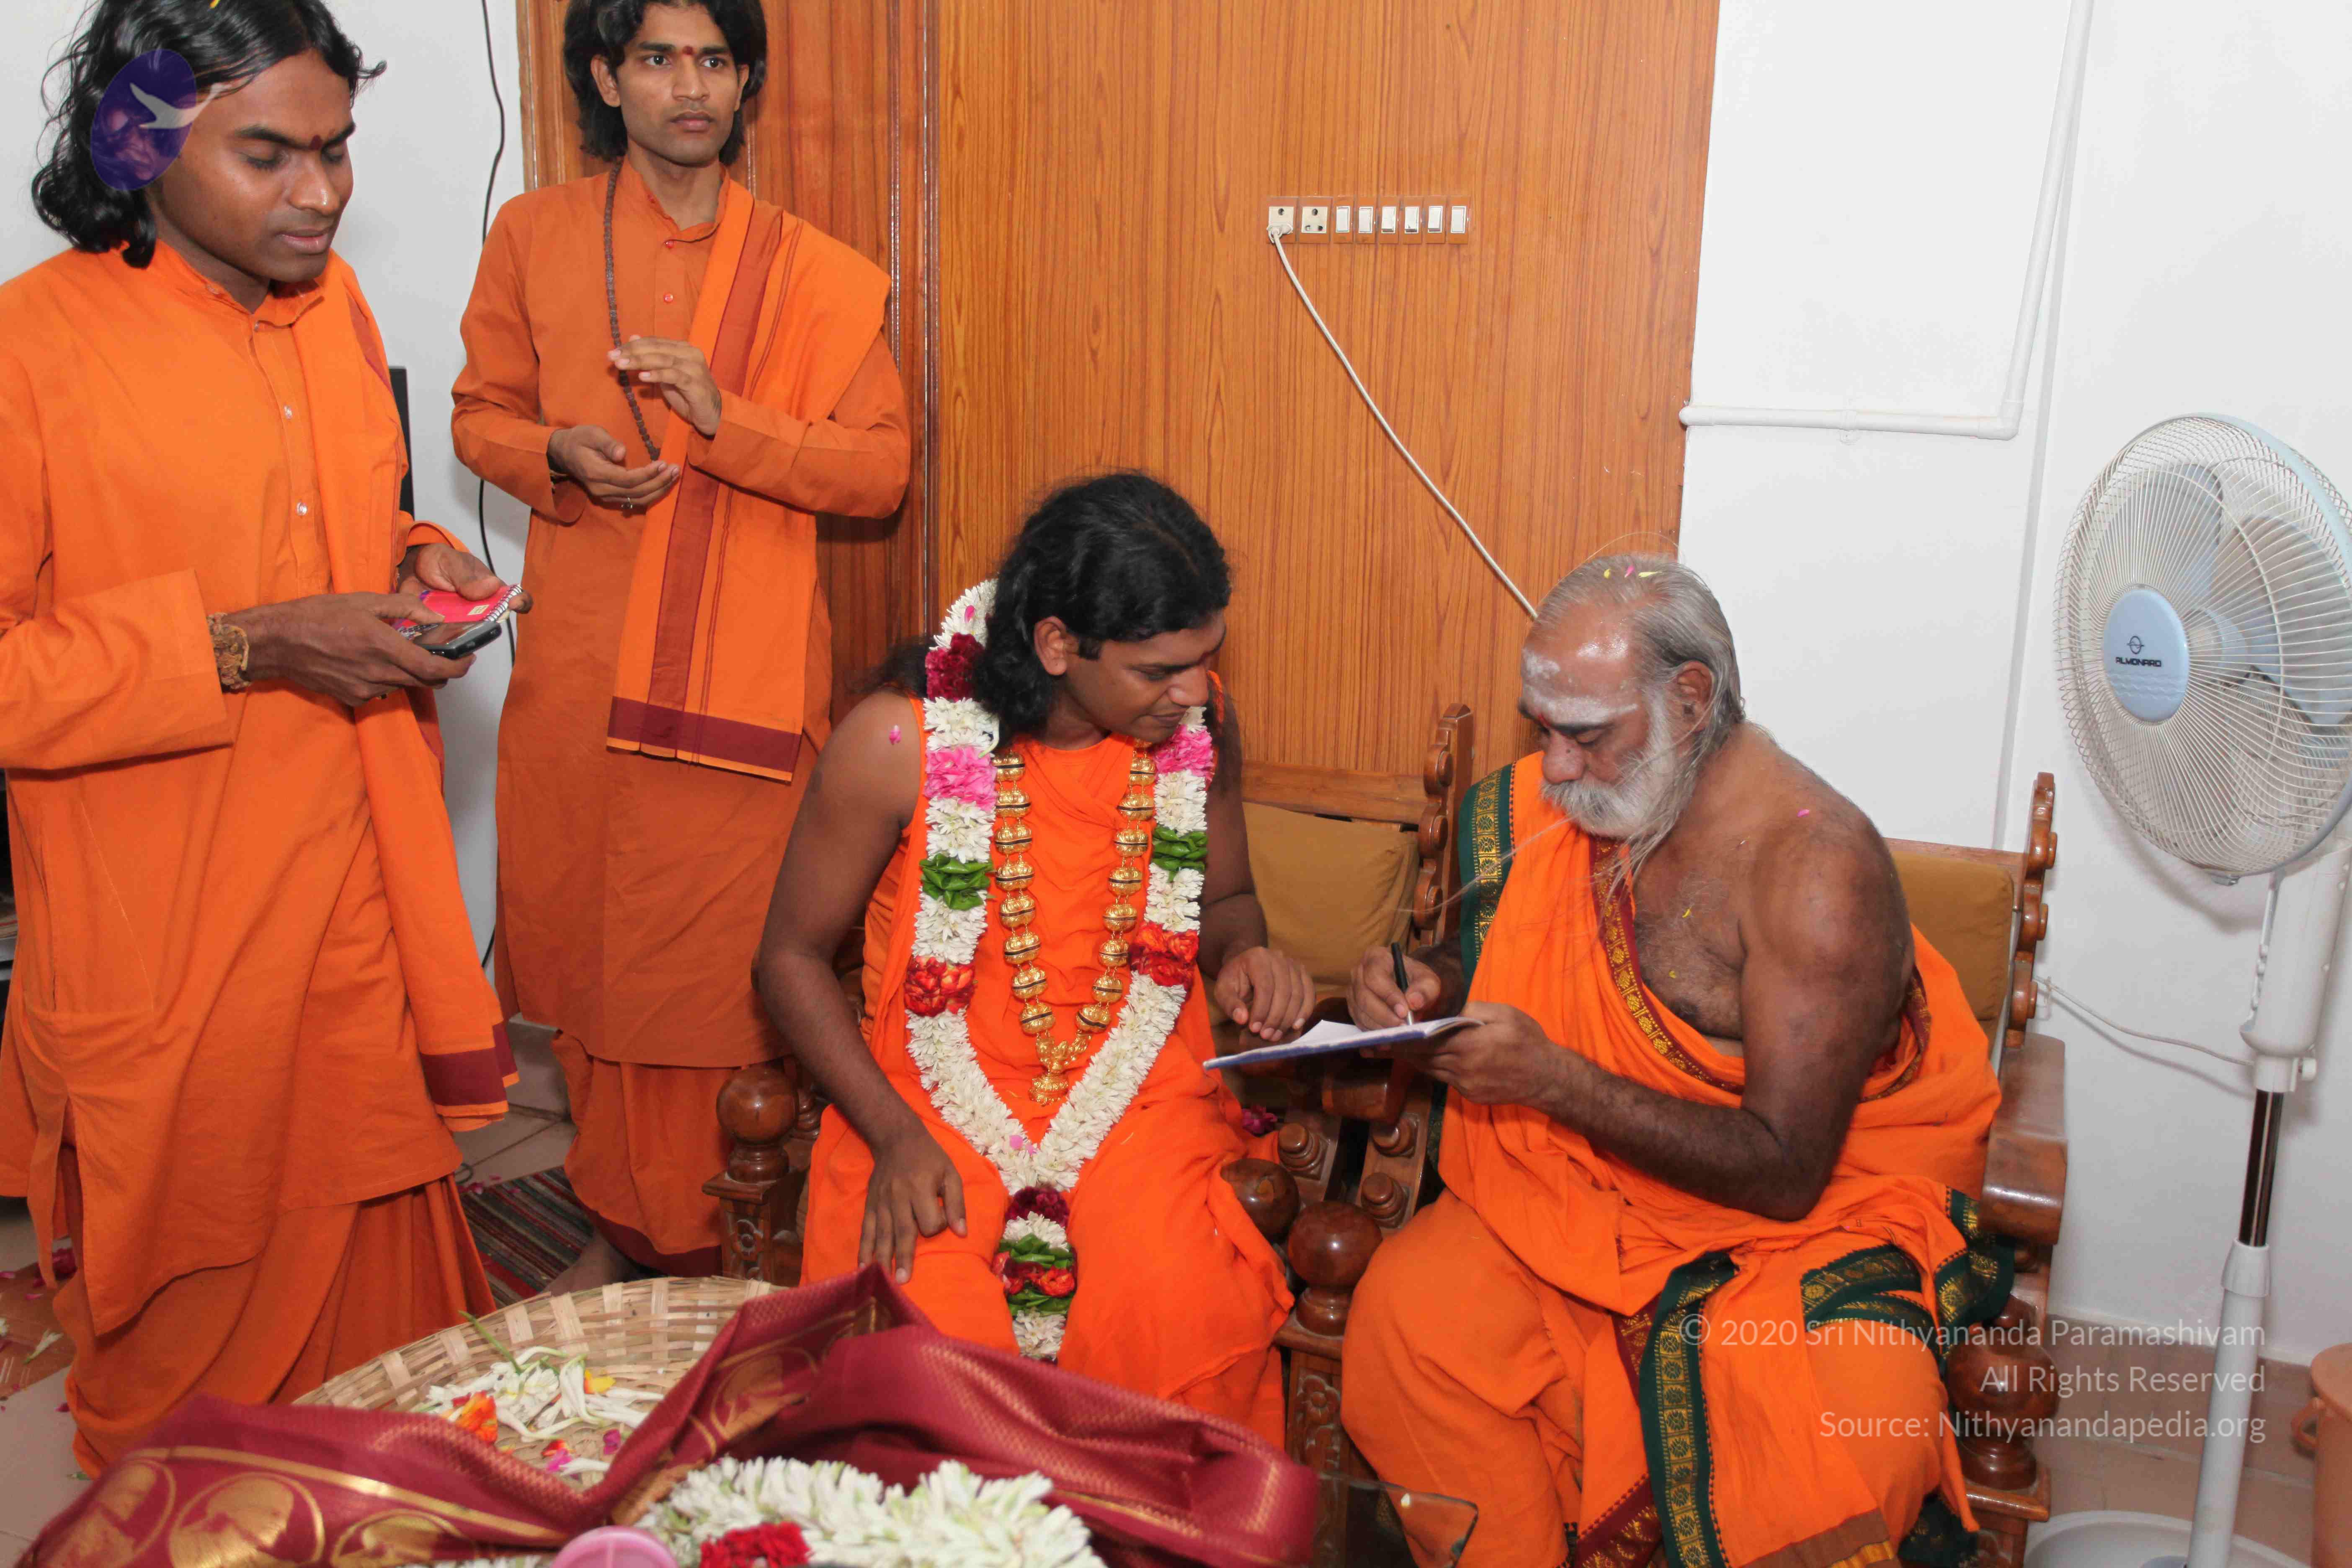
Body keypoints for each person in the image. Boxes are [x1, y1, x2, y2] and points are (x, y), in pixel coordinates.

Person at [0, 0, 519, 1470]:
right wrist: (254, 645)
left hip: (352, 903)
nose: (321, 192)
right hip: (168, 942)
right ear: (137, 144)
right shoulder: (29, 349)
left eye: (338, 150)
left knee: (393, 1402)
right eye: (270, 154)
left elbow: (343, 521)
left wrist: (416, 557)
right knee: (188, 1434)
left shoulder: (333, 307)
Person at [1339, 557, 2012, 1568]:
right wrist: (1424, 982)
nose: (1554, 766)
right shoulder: (1573, 803)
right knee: (1410, 1317)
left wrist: (1553, 1081)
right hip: (1587, 1186)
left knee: (1850, 1435)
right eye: (1541, 728)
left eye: (1586, 734)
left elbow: (1786, 1172)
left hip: (1801, 1228)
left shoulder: (1815, 872)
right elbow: (1503, 948)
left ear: (1690, 701)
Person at [453, 0, 910, 1287]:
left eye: (714, 59)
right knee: (597, 967)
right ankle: (620, 1226)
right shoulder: (534, 236)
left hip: (741, 701)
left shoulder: (812, 273)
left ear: (745, 81)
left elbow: (879, 473)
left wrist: (729, 420)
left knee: (716, 974)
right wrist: (557, 452)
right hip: (582, 672)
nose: (688, 85)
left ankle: (725, 1239)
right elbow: (479, 415)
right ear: (608, 79)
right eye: (657, 58)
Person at [759, 474, 1314, 1444]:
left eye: (1205, 659)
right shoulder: (898, 741)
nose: (1193, 691)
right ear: (1058, 644)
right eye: (1159, 670)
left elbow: (1226, 900)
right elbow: (789, 959)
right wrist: (891, 1135)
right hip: (927, 1107)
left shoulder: (1198, 724)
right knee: (935, 1354)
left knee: (1179, 1308)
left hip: (1139, 1099)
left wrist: (1247, 953)